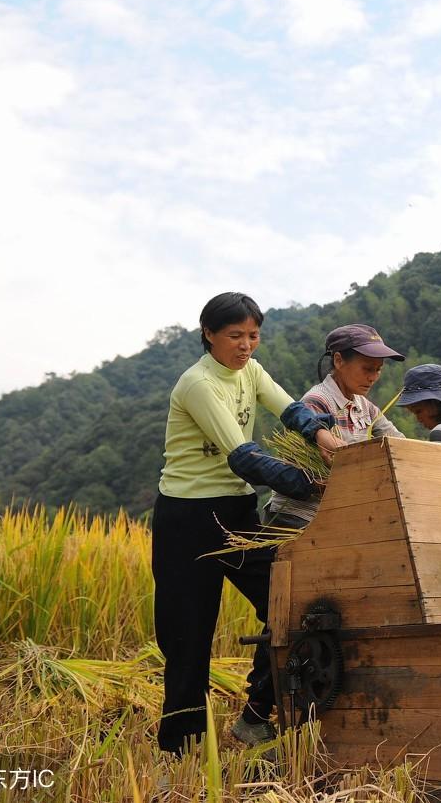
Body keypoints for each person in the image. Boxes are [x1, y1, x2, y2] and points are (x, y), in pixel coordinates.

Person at [151, 292, 344, 755]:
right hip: (189, 520)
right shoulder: (199, 384)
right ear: (209, 334)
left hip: (237, 515)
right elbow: (244, 456)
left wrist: (321, 434)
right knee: (188, 639)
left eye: (253, 335)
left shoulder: (250, 371)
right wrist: (310, 485)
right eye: (235, 335)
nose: (245, 345)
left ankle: (259, 716)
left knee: (286, 604)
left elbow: (291, 408)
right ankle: (179, 748)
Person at [265, 324, 406, 529]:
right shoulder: (316, 402)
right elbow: (312, 475)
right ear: (339, 361)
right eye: (367, 369)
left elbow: (398, 443)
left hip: (336, 513)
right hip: (299, 517)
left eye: (378, 370)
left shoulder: (364, 406)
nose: (373, 377)